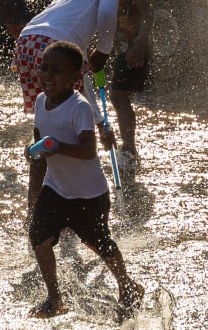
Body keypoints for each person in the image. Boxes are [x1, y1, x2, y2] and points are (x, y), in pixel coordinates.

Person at [27, 41, 144, 320]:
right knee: (38, 237)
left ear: (73, 78)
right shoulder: (41, 102)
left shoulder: (79, 108)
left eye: (57, 71)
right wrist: (33, 158)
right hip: (55, 188)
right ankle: (55, 298)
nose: (47, 76)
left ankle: (127, 286)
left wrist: (58, 148)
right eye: (44, 68)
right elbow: (39, 139)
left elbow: (89, 149)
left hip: (88, 193)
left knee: (99, 242)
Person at [15, 0, 120, 208]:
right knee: (73, 123)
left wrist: (100, 123)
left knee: (46, 125)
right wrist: (104, 51)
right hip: (54, 45)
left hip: (27, 42)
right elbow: (108, 14)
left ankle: (34, 207)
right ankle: (73, 202)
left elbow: (81, 84)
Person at [105, 0, 153, 170]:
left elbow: (148, 14)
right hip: (125, 46)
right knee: (120, 96)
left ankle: (129, 150)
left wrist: (139, 46)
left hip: (132, 47)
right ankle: (128, 148)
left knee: (119, 97)